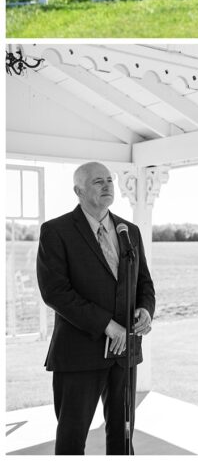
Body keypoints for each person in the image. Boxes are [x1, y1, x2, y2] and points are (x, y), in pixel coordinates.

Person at [36, 161, 155, 455]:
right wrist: (106, 324)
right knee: (71, 440)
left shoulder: (131, 231)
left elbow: (144, 283)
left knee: (123, 437)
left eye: (109, 181)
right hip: (79, 353)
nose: (107, 186)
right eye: (97, 182)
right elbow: (55, 292)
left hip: (125, 351)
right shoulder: (56, 231)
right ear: (78, 190)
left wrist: (145, 309)